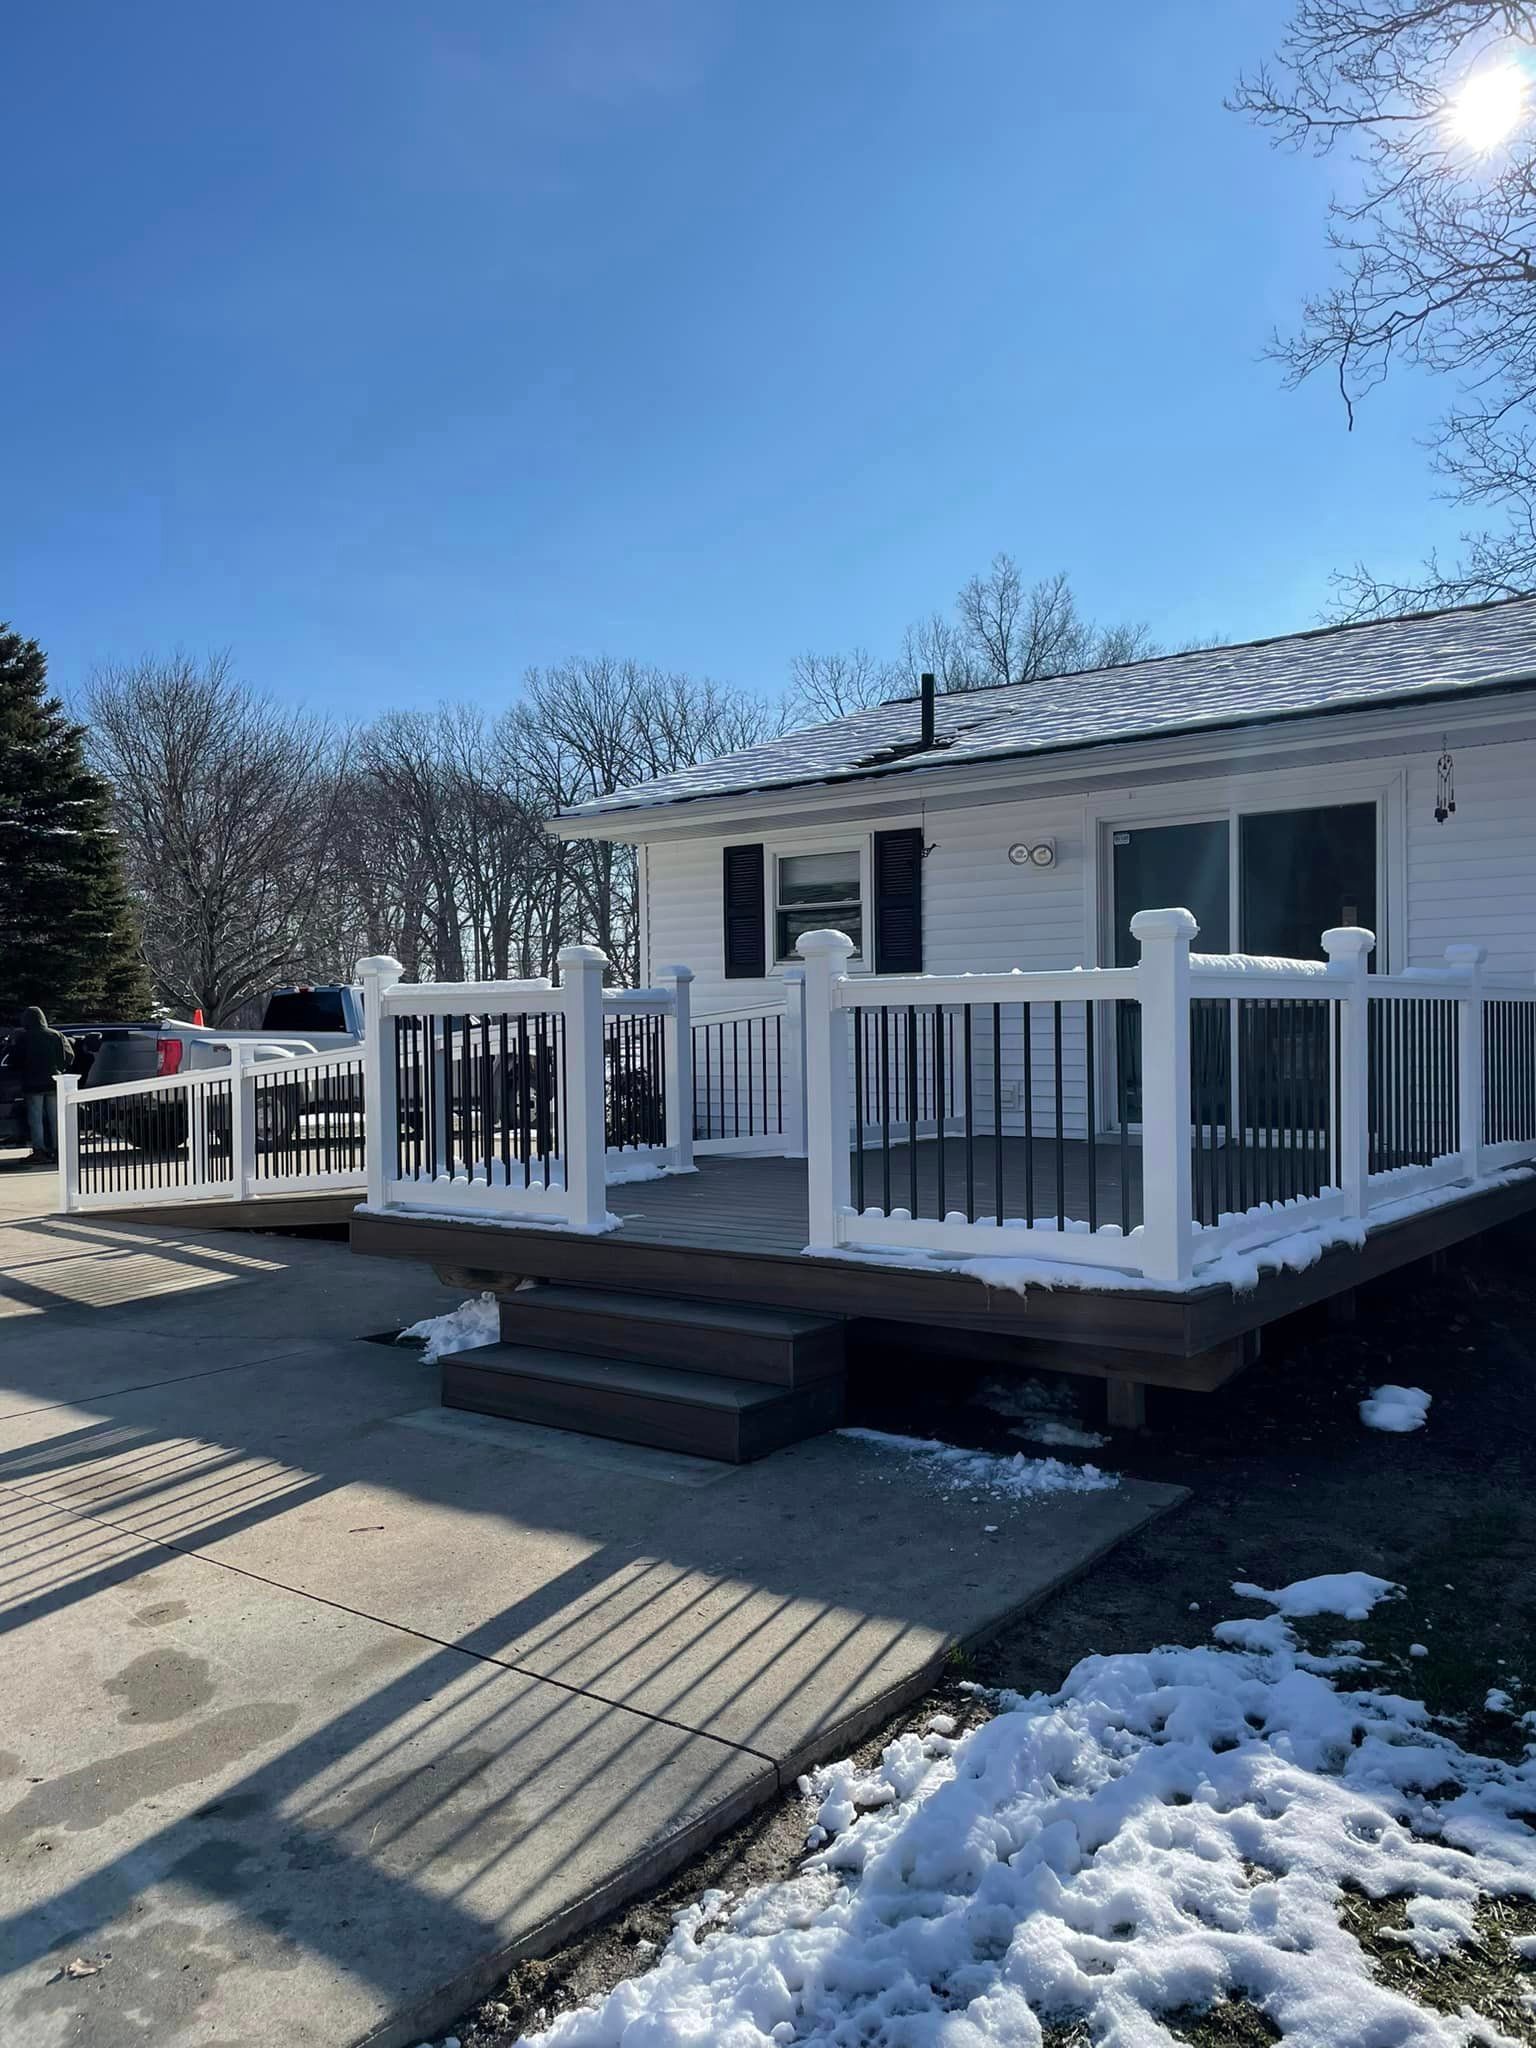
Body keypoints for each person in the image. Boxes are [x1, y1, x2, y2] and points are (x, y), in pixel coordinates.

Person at [6, 1007, 74, 1164]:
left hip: (32, 1084)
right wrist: (59, 1068)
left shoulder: (24, 1037)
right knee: (56, 1118)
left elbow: (14, 1060)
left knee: (35, 1119)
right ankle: (59, 1151)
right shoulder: (56, 1035)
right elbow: (69, 1056)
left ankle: (40, 1151)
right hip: (54, 1082)